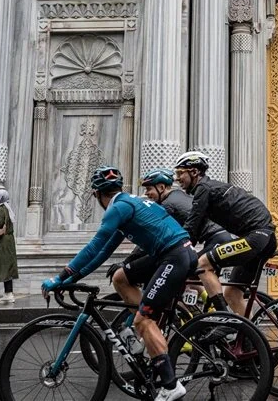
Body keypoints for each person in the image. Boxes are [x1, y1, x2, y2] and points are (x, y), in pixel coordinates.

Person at [40, 166, 195, 401]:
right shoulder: (127, 204)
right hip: (173, 253)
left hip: (174, 256)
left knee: (144, 320)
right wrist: (73, 278)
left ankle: (171, 385)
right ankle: (146, 330)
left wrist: (59, 277)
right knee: (120, 277)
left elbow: (94, 246)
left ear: (97, 194)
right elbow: (103, 252)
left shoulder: (118, 208)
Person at [174, 151, 278, 317]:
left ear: (194, 172)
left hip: (256, 236)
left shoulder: (203, 188)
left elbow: (191, 225)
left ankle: (224, 317)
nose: (177, 178)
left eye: (180, 173)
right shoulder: (209, 188)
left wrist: (177, 251)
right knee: (232, 293)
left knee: (202, 264)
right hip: (264, 238)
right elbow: (196, 228)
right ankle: (247, 332)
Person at [110, 168, 232, 301]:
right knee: (186, 272)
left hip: (216, 239)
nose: (146, 193)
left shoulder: (167, 206)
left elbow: (151, 239)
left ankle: (213, 306)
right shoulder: (178, 195)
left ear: (161, 188)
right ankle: (203, 304)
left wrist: (127, 262)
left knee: (186, 269)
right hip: (219, 237)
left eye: (149, 189)